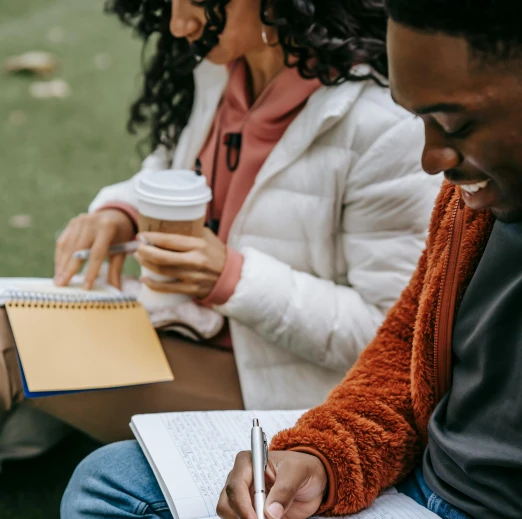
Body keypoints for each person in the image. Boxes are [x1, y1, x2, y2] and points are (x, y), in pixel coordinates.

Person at [4, 1, 522, 519]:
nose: (430, 160)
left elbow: (360, 326)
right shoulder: (479, 184)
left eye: (450, 121)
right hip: (407, 508)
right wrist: (318, 451)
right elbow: (400, 361)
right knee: (109, 486)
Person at [0, 0, 439, 454]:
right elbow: (173, 170)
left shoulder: (385, 126)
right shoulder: (221, 68)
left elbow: (389, 339)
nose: (178, 23)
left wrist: (231, 278)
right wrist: (121, 212)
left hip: (282, 389)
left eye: (198, 3)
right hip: (180, 324)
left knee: (15, 351)